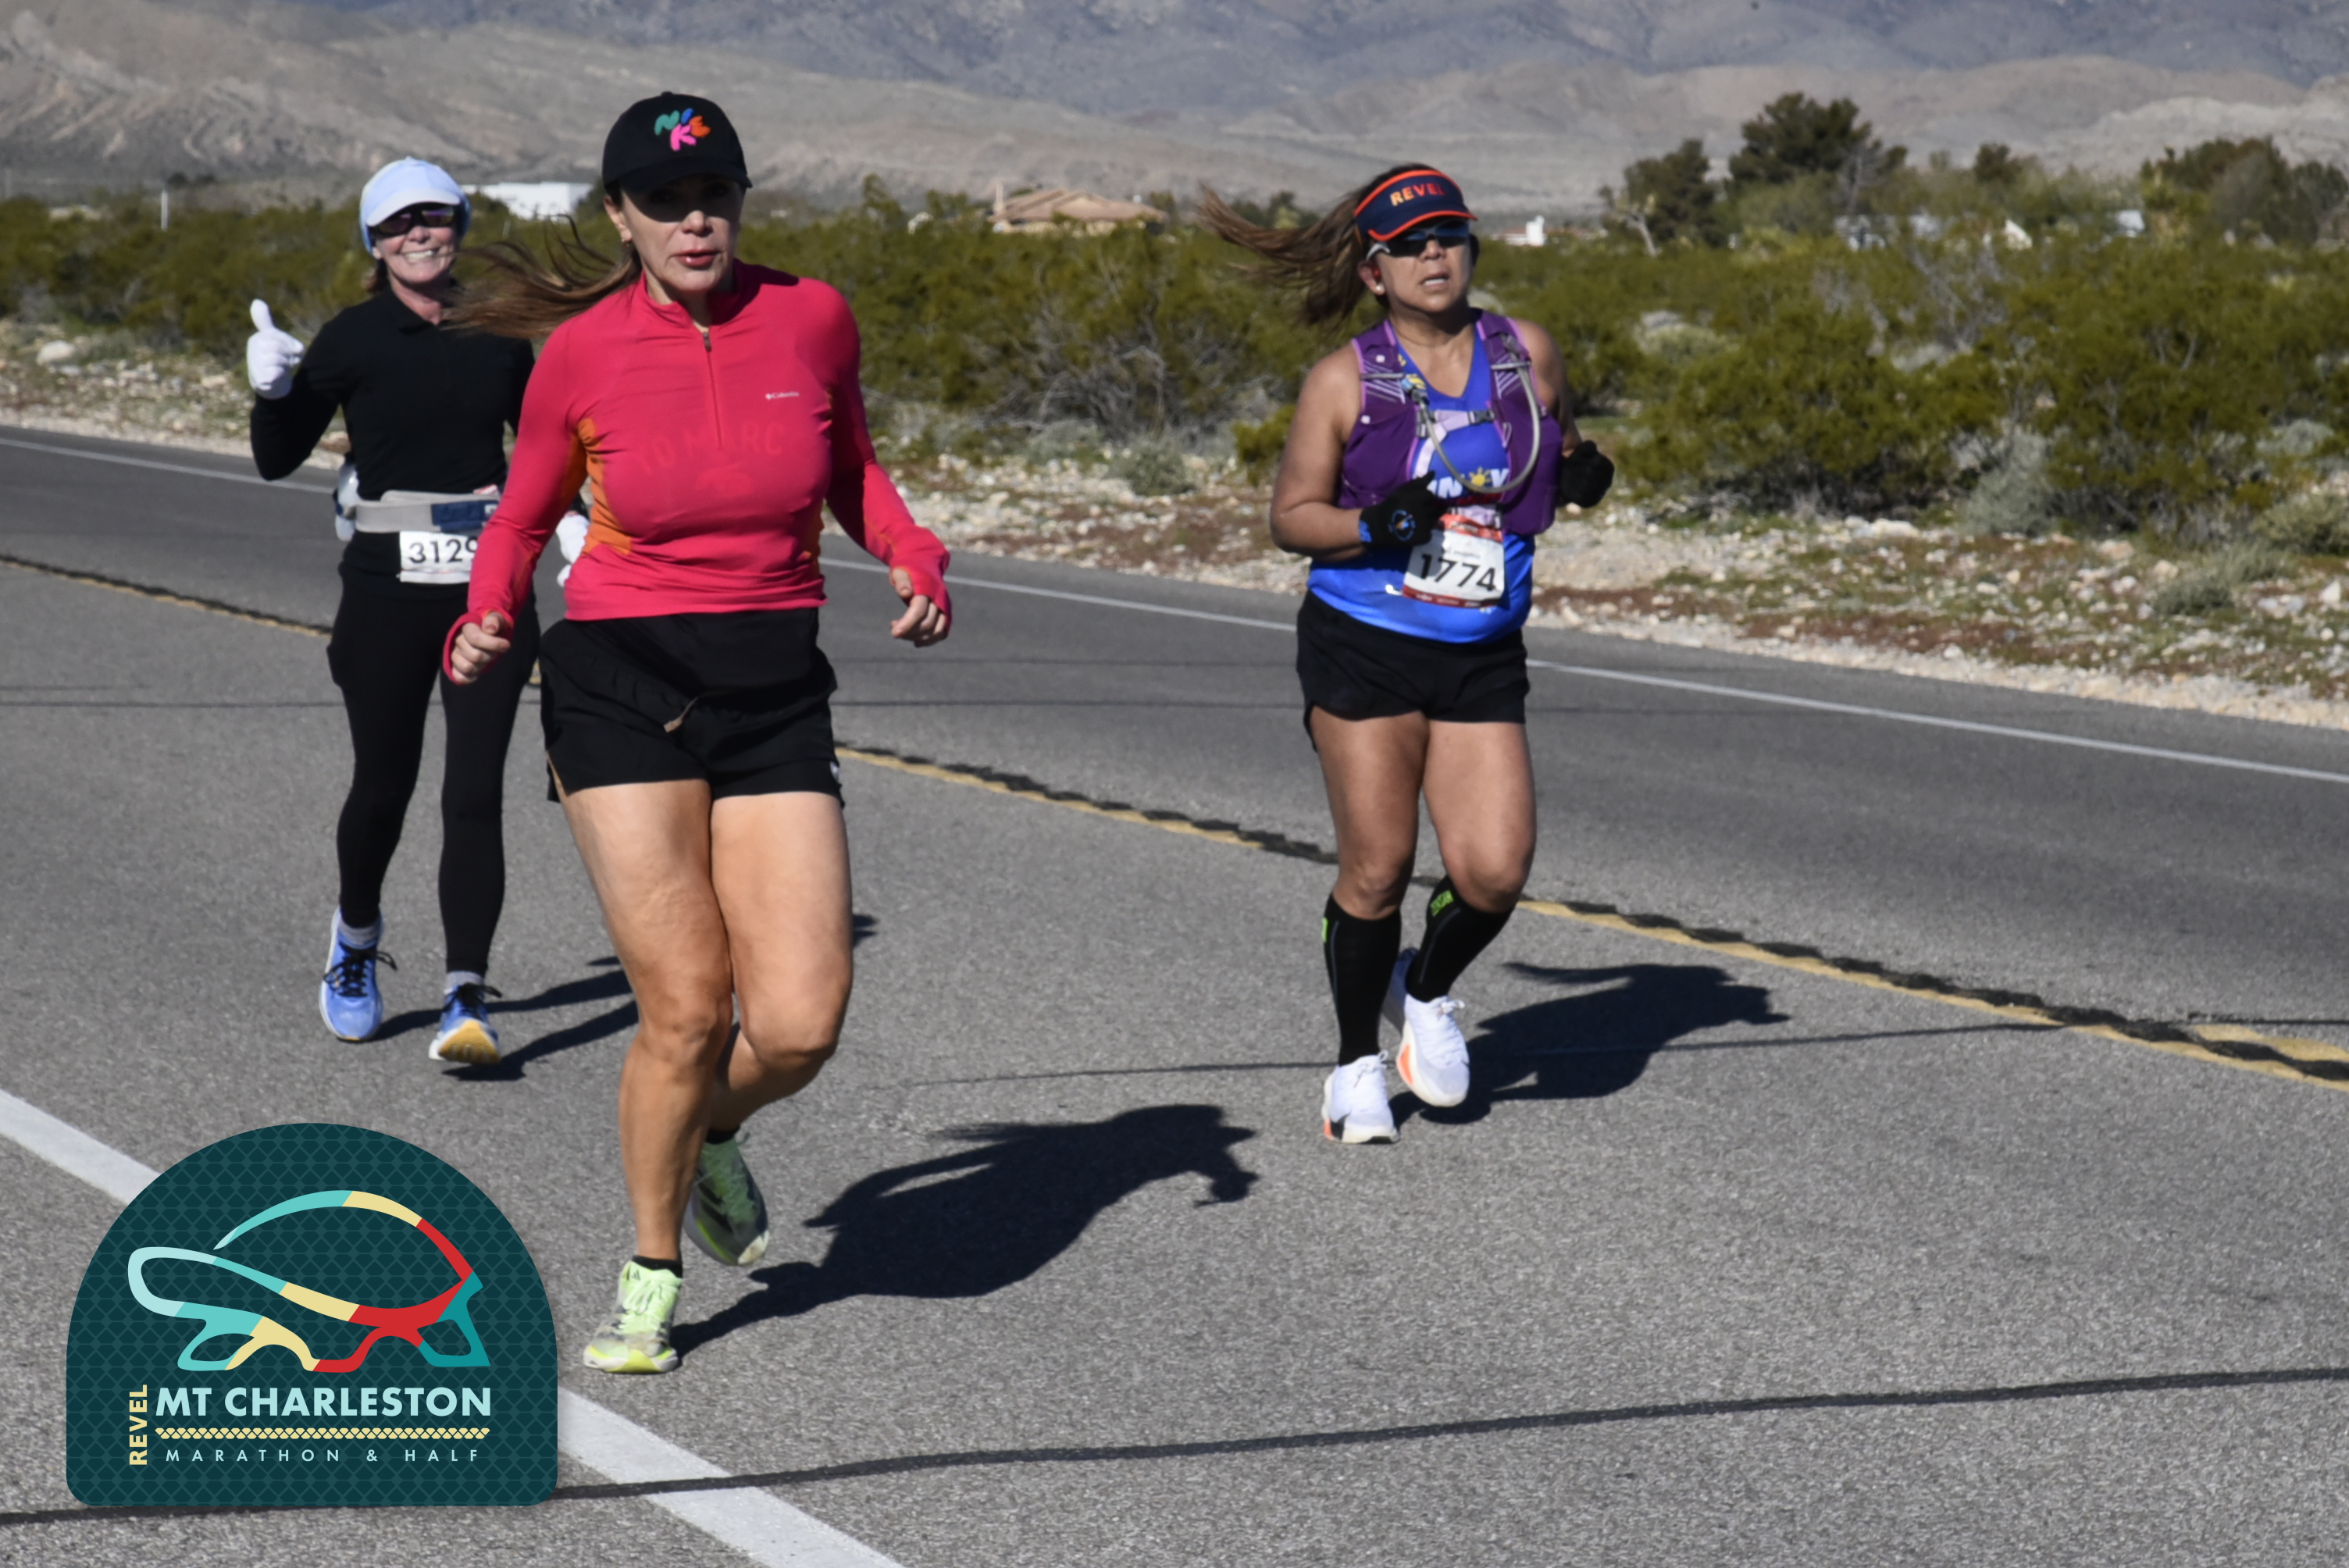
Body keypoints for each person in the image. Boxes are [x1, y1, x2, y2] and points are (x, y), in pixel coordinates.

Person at [444, 93, 953, 1374]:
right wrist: (488, 611)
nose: (694, 221)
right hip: (621, 684)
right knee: (684, 1006)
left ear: (739, 201)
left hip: (772, 692)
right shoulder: (581, 354)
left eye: (713, 195)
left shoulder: (812, 317)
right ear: (620, 216)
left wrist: (912, 551)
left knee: (800, 1020)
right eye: (664, 202)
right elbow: (522, 518)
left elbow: (852, 471)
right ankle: (652, 1268)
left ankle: (710, 1132)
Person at [1205, 166, 1613, 1143]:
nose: (1433, 255)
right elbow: (1290, 518)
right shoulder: (1345, 379)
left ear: (1470, 248)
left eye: (1447, 236)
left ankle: (1421, 989)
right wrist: (1375, 522)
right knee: (1378, 869)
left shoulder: (1525, 352)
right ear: (1373, 272)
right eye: (1409, 245)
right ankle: (1353, 1067)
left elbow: (1549, 456)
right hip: (1365, 645)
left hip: (1481, 649)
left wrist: (1583, 470)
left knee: (1493, 872)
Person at [248, 157, 539, 1065]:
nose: (419, 233)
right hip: (384, 593)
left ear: (460, 226)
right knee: (385, 783)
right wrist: (273, 393)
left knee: (474, 792)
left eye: (435, 216)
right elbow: (275, 458)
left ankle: (465, 996)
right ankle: (356, 940)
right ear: (373, 244)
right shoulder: (353, 337)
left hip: (488, 590)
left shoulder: (499, 333)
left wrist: (569, 519)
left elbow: (541, 450)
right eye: (397, 223)